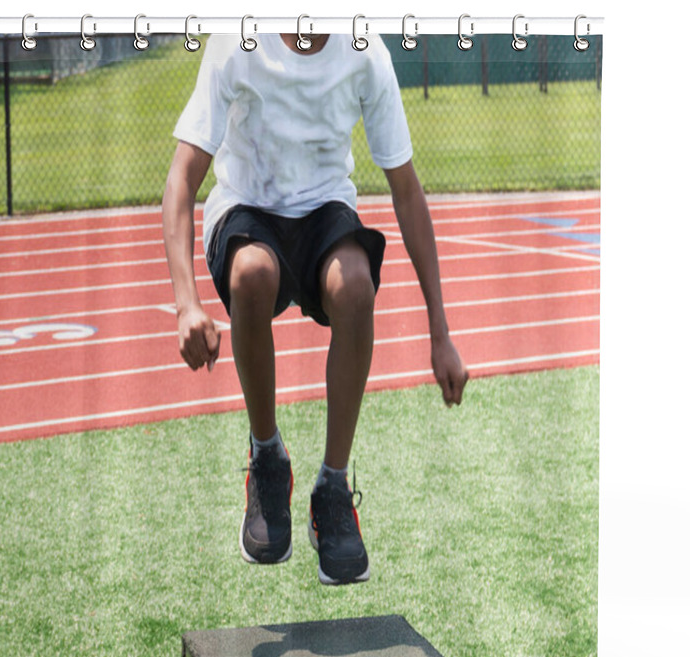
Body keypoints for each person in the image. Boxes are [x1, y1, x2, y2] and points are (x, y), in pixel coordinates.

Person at [162, 32, 468, 586]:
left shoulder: (364, 49)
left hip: (323, 209)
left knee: (356, 286)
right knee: (253, 273)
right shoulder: (239, 39)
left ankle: (332, 487)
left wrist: (440, 332)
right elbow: (182, 179)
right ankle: (267, 458)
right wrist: (187, 305)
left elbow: (407, 191)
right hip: (247, 207)